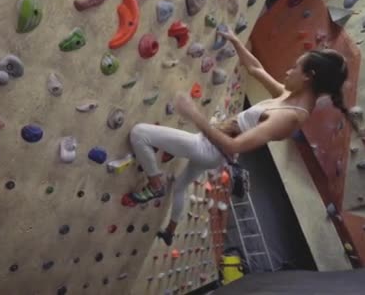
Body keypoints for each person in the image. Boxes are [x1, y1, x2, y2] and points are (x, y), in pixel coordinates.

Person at [128, 30, 349, 246]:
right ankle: (170, 231)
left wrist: (194, 114)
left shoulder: (290, 117)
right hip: (214, 153)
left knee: (140, 133)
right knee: (179, 187)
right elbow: (255, 68)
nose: (288, 72)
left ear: (308, 77)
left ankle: (155, 183)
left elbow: (233, 144)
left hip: (210, 148)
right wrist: (235, 41)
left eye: (295, 68)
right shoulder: (289, 97)